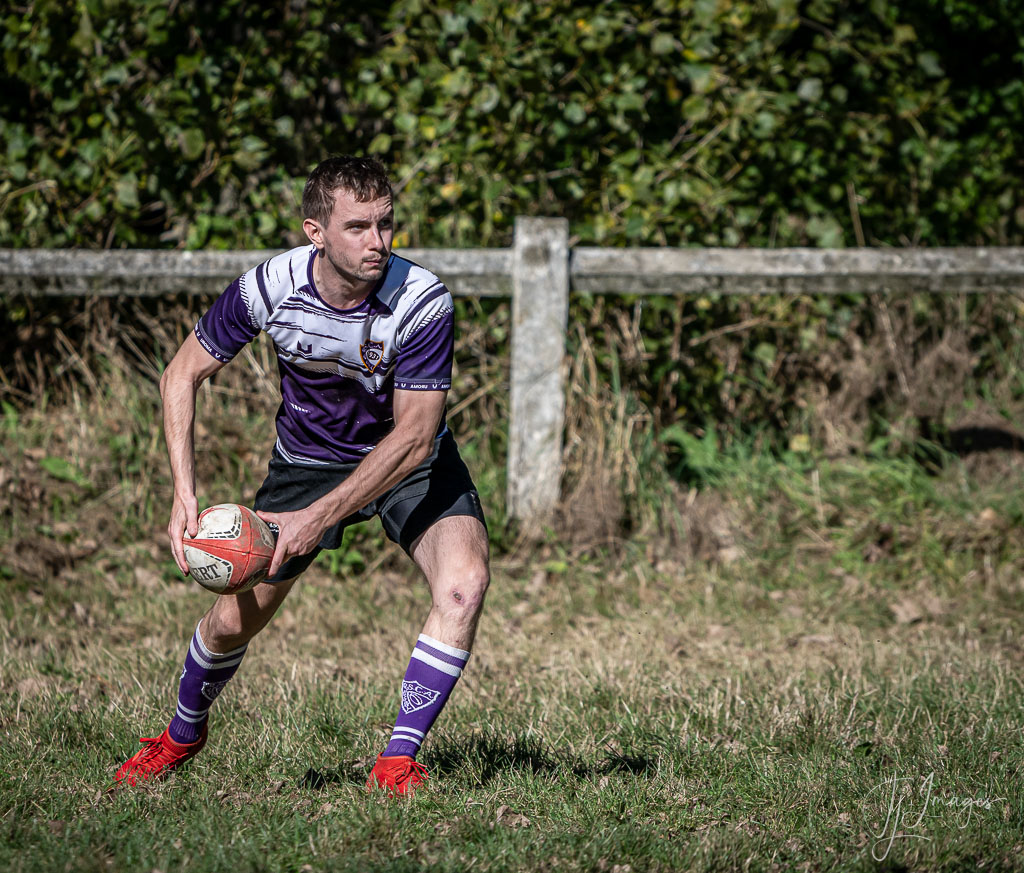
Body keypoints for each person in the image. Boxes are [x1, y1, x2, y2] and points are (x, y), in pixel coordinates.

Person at [113, 156, 490, 796]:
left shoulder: (421, 301)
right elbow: (180, 374)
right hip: (307, 462)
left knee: (464, 586)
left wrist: (320, 518)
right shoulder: (270, 286)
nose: (378, 241)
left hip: (408, 461)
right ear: (315, 232)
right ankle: (181, 734)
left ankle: (396, 763)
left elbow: (414, 436)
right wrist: (183, 493)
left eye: (386, 224)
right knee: (231, 622)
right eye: (358, 227)